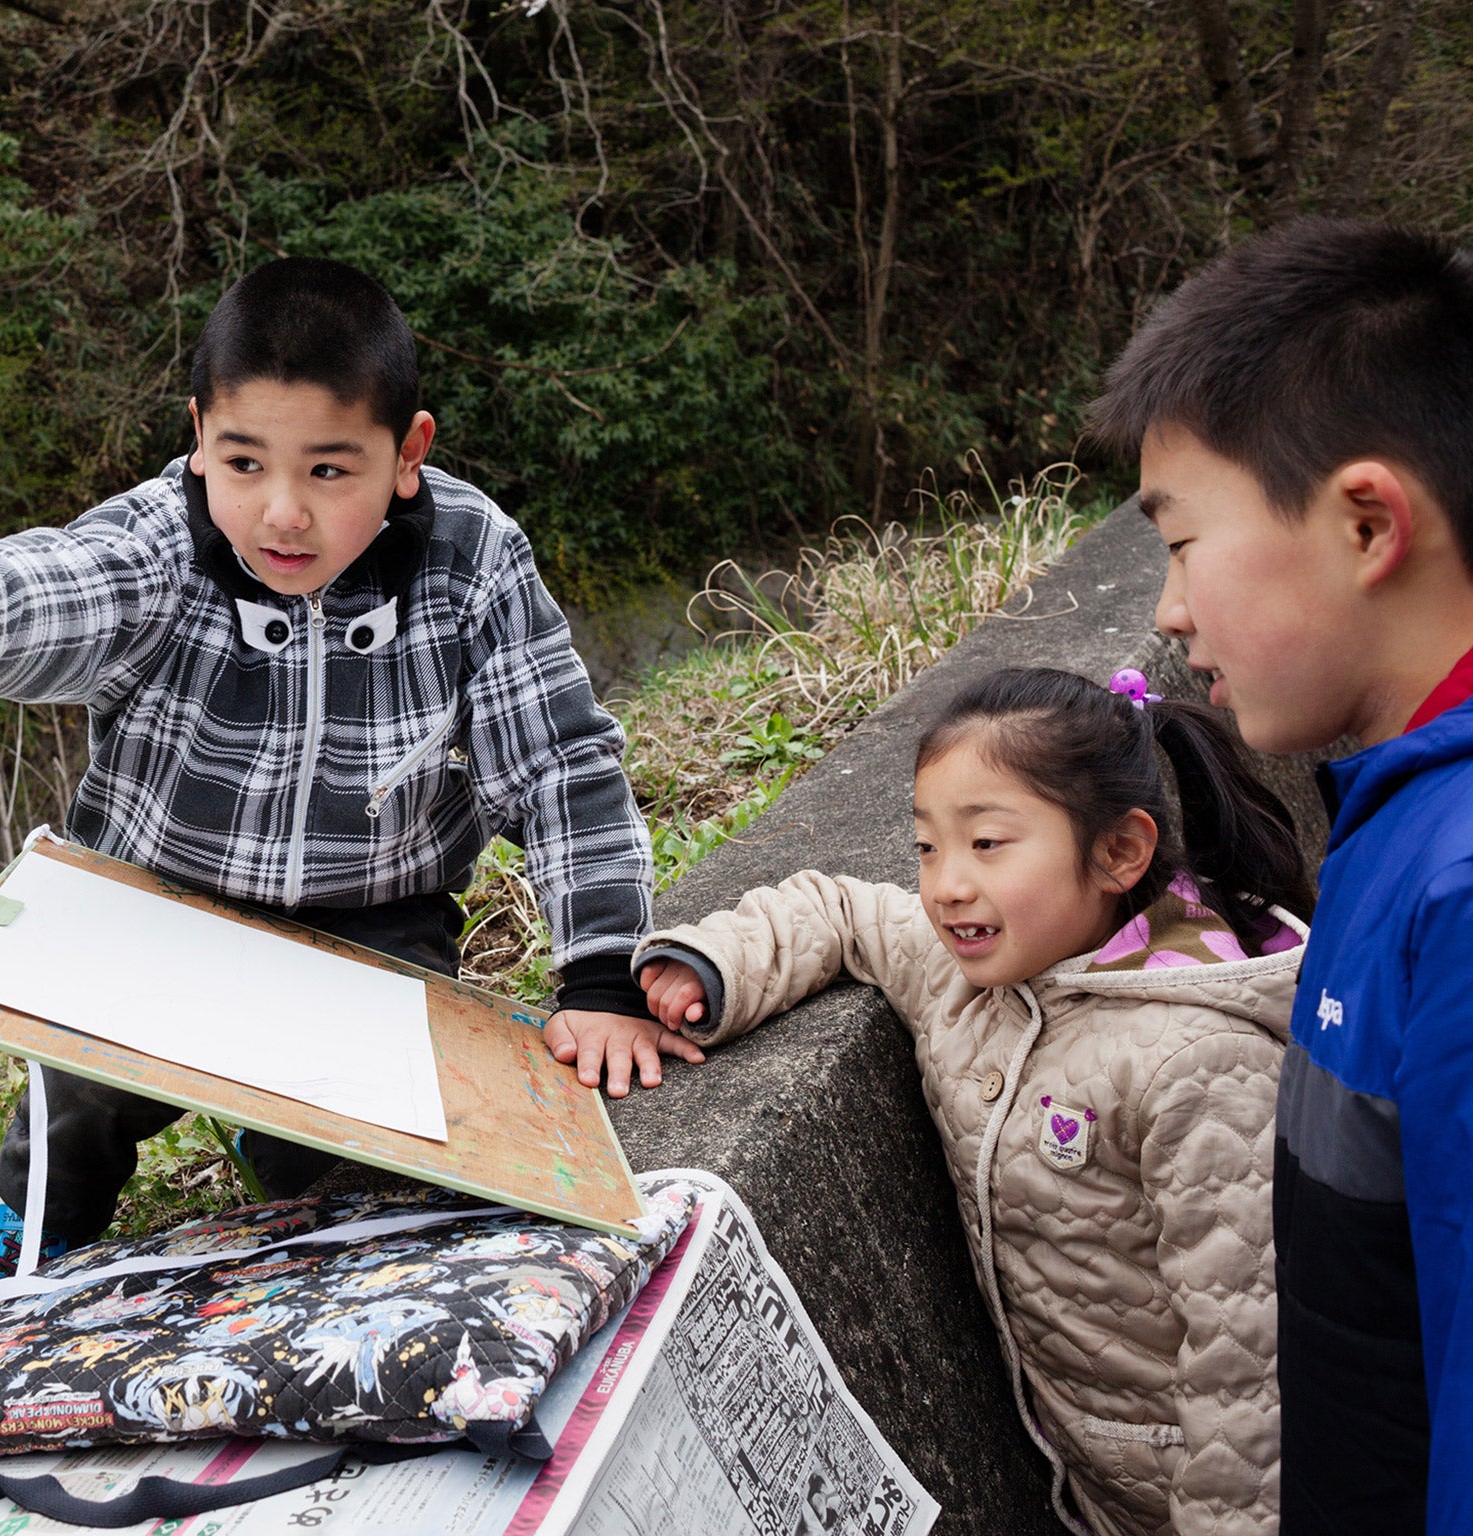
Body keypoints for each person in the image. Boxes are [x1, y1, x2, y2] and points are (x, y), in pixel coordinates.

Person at [0, 257, 695, 1279]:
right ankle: (37, 1236)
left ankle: (282, 1151)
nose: (280, 513)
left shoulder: (471, 559)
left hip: (368, 911)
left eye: (327, 470)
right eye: (243, 465)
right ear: (197, 440)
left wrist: (598, 973)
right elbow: (67, 576)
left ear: (406, 454)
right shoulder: (162, 542)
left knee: (363, 1157)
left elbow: (556, 763)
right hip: (156, 898)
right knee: (82, 1090)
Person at [616, 666, 1311, 1535]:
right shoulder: (967, 971)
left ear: (1120, 853)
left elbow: (1251, 1366)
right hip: (1092, 1478)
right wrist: (709, 966)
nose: (945, 884)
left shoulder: (1198, 1064)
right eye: (926, 846)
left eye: (987, 844)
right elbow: (836, 908)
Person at [1087, 218, 1473, 1534]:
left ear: (1366, 522)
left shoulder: (1461, 894)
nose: (1172, 610)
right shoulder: (1392, 813)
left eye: (1184, 542)